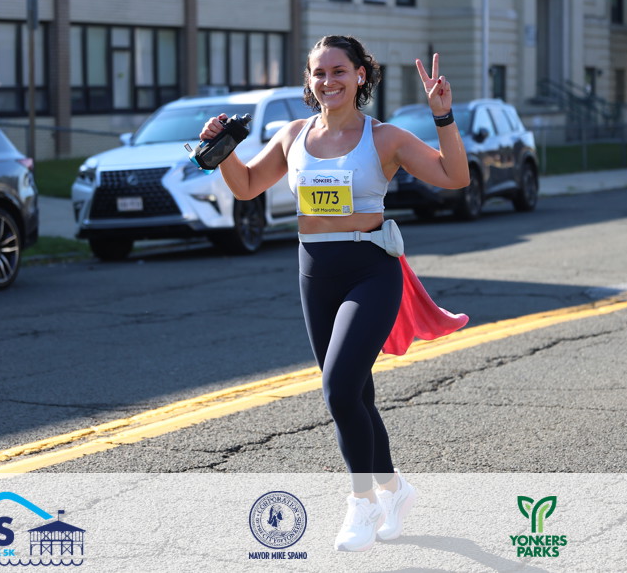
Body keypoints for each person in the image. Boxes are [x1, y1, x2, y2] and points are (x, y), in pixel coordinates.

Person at [200, 35, 469, 551]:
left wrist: (443, 116)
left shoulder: (384, 138)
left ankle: (362, 502)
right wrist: (222, 151)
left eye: (339, 71)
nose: (328, 81)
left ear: (360, 75)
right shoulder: (293, 135)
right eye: (319, 73)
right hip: (315, 272)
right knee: (356, 395)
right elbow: (247, 186)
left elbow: (454, 177)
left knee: (339, 390)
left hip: (370, 270)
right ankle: (395, 489)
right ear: (309, 79)